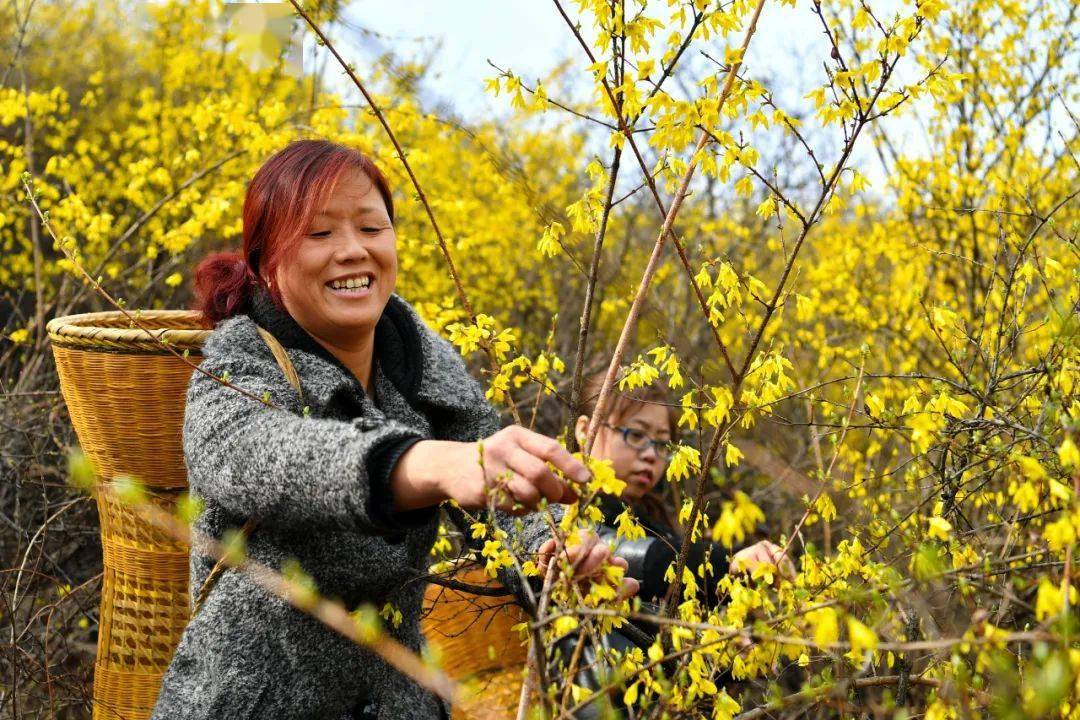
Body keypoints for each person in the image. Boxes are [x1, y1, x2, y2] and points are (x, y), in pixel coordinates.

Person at [150, 139, 635, 720]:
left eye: (372, 229)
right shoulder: (237, 362)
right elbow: (252, 455)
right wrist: (422, 464)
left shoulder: (423, 364)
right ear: (265, 265)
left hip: (396, 699)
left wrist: (552, 554)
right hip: (252, 701)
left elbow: (502, 506)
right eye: (319, 234)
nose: (353, 252)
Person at [566, 369, 794, 606]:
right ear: (585, 430)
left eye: (662, 443)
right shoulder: (559, 501)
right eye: (635, 434)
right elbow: (633, 553)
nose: (651, 455)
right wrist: (730, 564)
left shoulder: (654, 520)